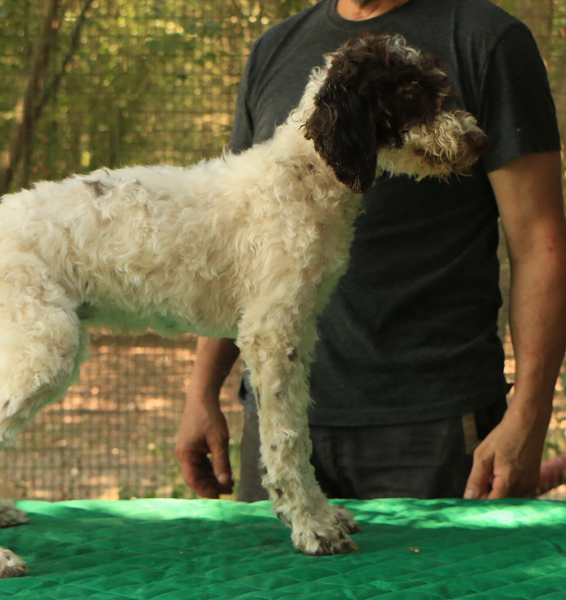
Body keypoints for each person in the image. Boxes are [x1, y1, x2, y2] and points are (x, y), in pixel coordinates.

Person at [175, 0, 566, 502]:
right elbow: (244, 235)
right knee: (271, 583)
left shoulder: (486, 38)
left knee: (439, 584)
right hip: (279, 416)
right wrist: (201, 391)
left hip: (432, 424)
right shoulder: (275, 48)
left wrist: (529, 417)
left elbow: (540, 243)